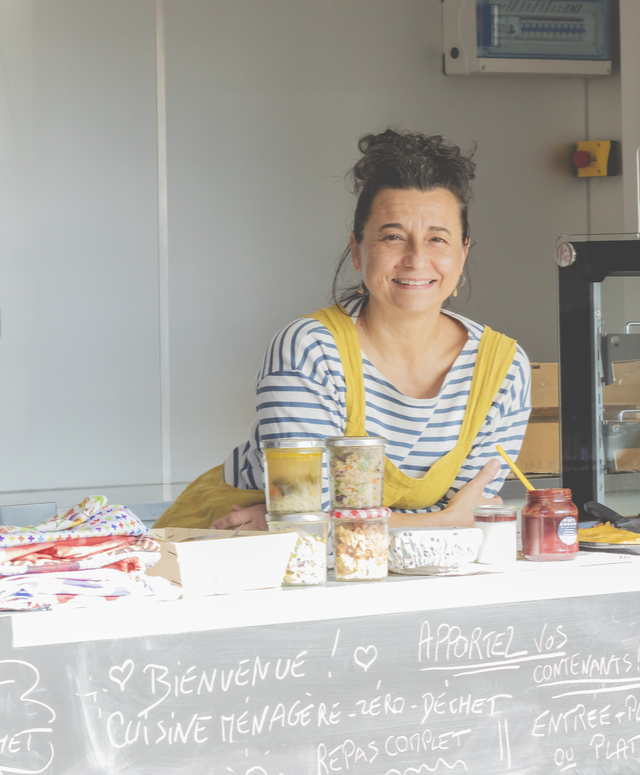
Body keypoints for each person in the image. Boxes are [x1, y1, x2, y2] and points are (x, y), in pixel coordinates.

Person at [154, 129, 531, 532]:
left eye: (437, 239)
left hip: (392, 566)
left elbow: (470, 509)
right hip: (231, 549)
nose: (416, 259)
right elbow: (302, 524)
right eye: (393, 237)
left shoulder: (502, 369)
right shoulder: (309, 349)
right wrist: (439, 521)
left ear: (463, 253)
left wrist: (310, 519)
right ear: (357, 249)